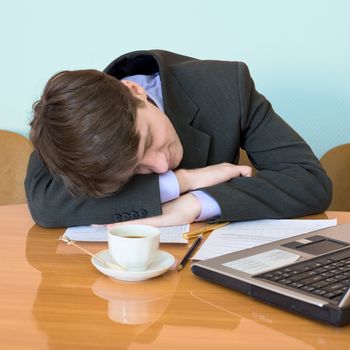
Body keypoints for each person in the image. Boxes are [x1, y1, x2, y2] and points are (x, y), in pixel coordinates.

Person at [25, 49, 332, 228]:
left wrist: (195, 204)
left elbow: (309, 181)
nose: (160, 166)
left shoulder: (226, 88)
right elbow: (46, 204)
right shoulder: (67, 124)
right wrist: (182, 182)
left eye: (147, 142)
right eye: (135, 170)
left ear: (134, 91)